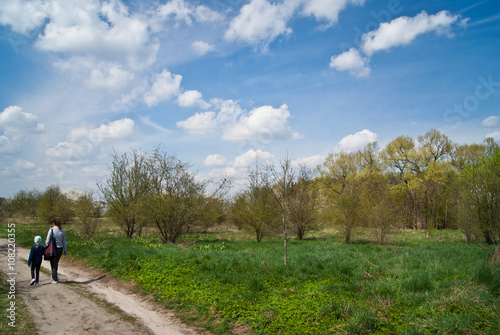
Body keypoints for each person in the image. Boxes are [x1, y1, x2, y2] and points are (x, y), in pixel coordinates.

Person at [46, 218, 67, 284]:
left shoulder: (51, 230)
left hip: (53, 248)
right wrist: (65, 250)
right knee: (55, 262)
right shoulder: (62, 231)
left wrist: (46, 247)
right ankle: (54, 276)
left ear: (53, 223)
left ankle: (54, 278)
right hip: (60, 249)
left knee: (53, 263)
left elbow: (48, 240)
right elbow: (64, 241)